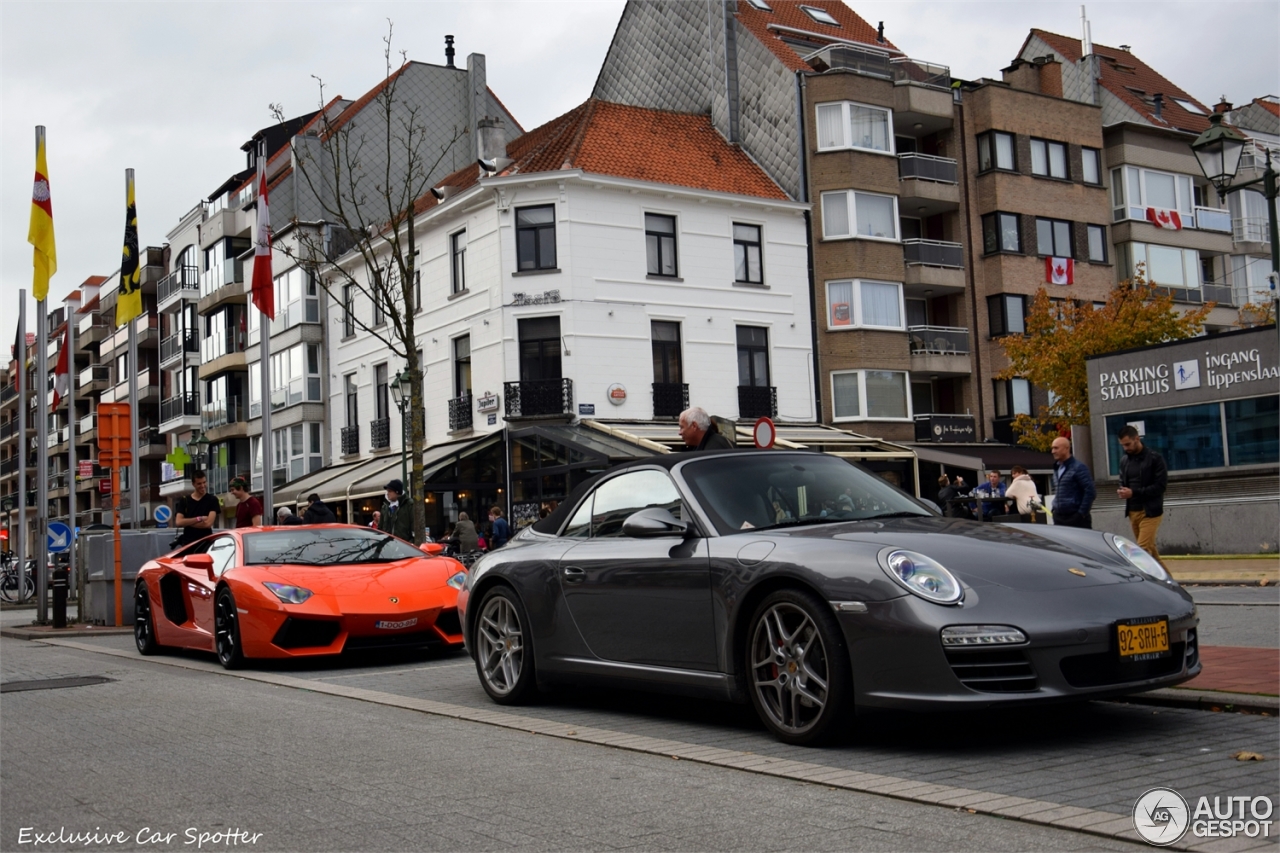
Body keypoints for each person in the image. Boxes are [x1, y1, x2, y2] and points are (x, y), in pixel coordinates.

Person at [1117, 425, 1169, 569]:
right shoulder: (1124, 461)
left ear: (1137, 439)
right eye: (1123, 445)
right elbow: (1122, 480)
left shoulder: (1154, 459)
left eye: (1128, 444)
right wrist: (1122, 490)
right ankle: (1170, 585)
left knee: (1141, 552)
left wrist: (1134, 492)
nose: (1125, 448)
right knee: (1151, 555)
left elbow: (1160, 486)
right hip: (1133, 511)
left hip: (1150, 512)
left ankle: (1144, 585)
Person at [1050, 436, 1096, 528]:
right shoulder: (1057, 468)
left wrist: (1081, 513)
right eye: (1052, 448)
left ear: (1067, 448)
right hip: (1059, 518)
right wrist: (1054, 510)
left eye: (1056, 448)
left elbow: (1090, 491)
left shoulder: (1078, 468)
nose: (1053, 451)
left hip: (1076, 518)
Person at [174, 469, 220, 546]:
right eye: (199, 483)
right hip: (188, 545)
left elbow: (208, 524)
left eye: (204, 482)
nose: (202, 486)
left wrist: (187, 522)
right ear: (193, 484)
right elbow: (178, 522)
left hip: (206, 544)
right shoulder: (184, 500)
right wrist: (199, 518)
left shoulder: (212, 500)